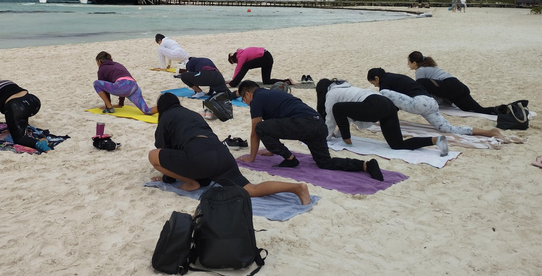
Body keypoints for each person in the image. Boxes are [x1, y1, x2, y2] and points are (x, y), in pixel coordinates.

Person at [148, 92, 311, 204]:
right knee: (251, 189)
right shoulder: (192, 114)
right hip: (221, 154)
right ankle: (297, 188)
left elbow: (162, 148)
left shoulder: (166, 117)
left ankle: (191, 182)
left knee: (152, 155)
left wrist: (168, 178)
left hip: (199, 157)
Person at [235, 80, 384, 181]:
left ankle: (290, 159)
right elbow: (276, 124)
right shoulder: (271, 95)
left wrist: (251, 157)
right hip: (318, 124)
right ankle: (365, 165)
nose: (245, 102)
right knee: (325, 162)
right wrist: (272, 149)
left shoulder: (257, 99)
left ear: (248, 94)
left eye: (243, 99)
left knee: (260, 127)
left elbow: (256, 131)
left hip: (304, 124)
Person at [316, 79, 449, 156]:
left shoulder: (332, 94)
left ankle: (347, 141)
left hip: (375, 105)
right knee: (397, 144)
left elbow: (331, 119)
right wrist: (338, 134)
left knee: (337, 108)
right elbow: (349, 115)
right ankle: (435, 140)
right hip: (387, 105)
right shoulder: (347, 89)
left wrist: (325, 137)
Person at [366, 68, 503, 138]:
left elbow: (389, 103)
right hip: (430, 103)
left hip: (418, 103)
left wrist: (376, 118)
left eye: (373, 82)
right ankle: (489, 132)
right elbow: (396, 105)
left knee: (382, 94)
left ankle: (371, 118)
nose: (374, 85)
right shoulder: (395, 78)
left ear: (377, 78)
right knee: (448, 130)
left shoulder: (385, 83)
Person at [407, 51, 528, 115]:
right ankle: (505, 109)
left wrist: (433, 104)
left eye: (409, 62)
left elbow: (424, 89)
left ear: (414, 63)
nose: (408, 64)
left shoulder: (420, 70)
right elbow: (437, 88)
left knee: (420, 83)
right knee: (477, 109)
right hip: (458, 86)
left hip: (451, 86)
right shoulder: (430, 67)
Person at [0, 68, 50, 152]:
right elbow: (19, 98)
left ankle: (39, 144)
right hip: (33, 101)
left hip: (16, 106)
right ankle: (24, 127)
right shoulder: (5, 81)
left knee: (19, 139)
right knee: (18, 113)